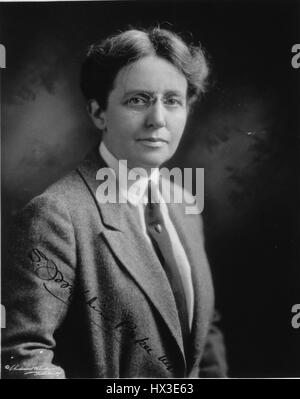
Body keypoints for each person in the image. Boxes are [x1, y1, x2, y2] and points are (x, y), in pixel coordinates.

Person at [1, 27, 227, 378]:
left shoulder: (184, 203)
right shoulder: (57, 215)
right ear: (98, 113)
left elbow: (203, 335)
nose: (158, 120)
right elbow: (21, 356)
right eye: (138, 100)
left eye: (172, 101)